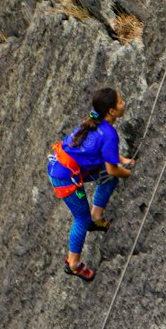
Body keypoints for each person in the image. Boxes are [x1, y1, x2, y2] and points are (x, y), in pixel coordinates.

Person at [48, 86, 134, 282]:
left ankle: (97, 216)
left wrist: (122, 160)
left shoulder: (95, 122)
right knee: (81, 219)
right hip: (65, 177)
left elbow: (104, 154)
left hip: (65, 165)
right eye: (120, 102)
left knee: (107, 178)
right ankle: (73, 264)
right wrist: (128, 173)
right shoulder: (109, 133)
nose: (124, 104)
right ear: (111, 111)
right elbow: (113, 169)